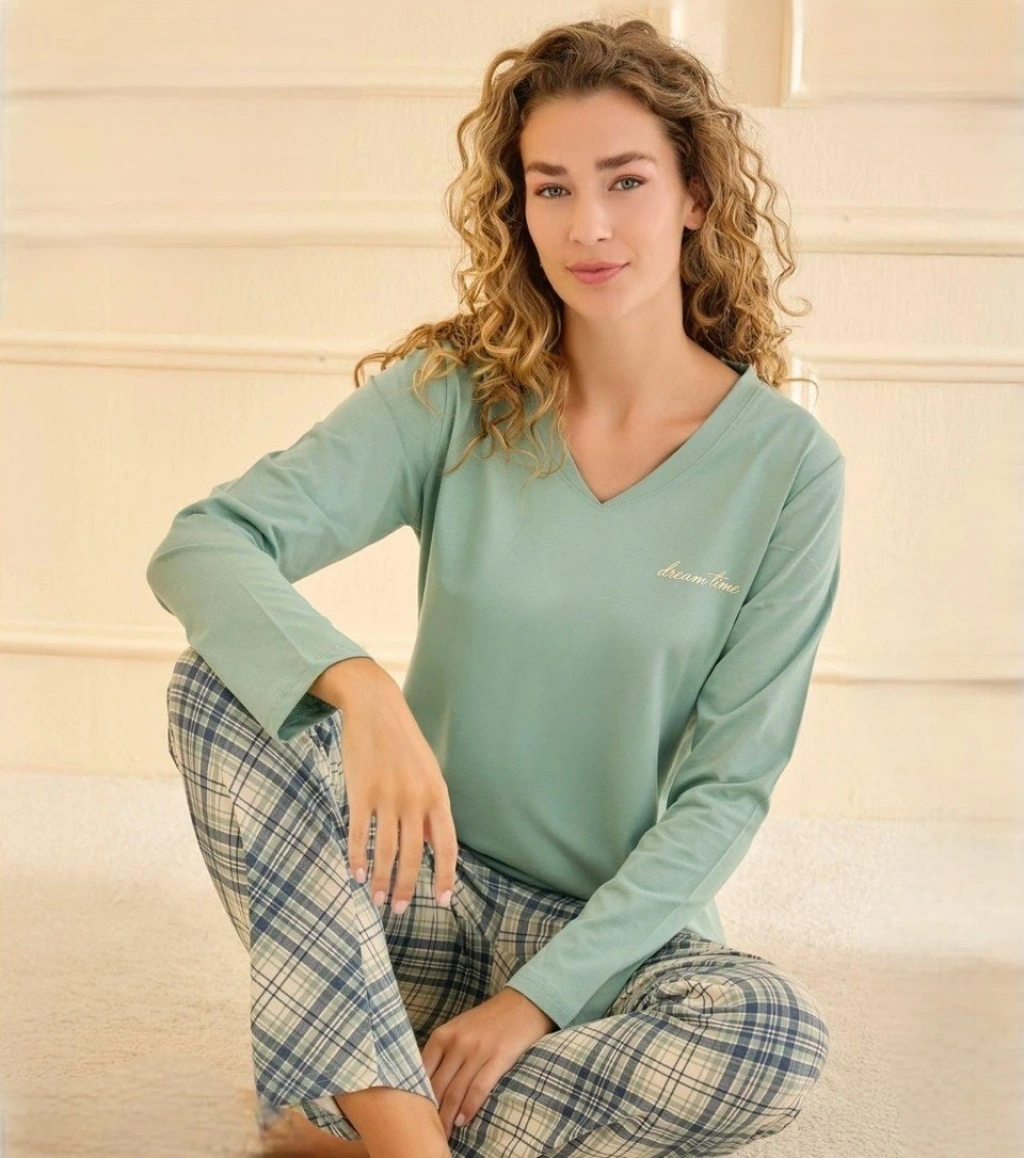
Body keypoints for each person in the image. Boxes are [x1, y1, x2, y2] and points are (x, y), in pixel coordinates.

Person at [147, 16, 842, 1158]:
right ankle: (404, 1130)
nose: (588, 226)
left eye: (625, 181)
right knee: (215, 689)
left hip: (607, 944)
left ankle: (351, 1106)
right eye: (551, 188)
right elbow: (204, 544)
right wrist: (361, 688)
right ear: (519, 208)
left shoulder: (787, 467)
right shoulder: (459, 390)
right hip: (411, 891)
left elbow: (725, 795)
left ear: (698, 196)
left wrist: (534, 1004)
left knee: (771, 1035)